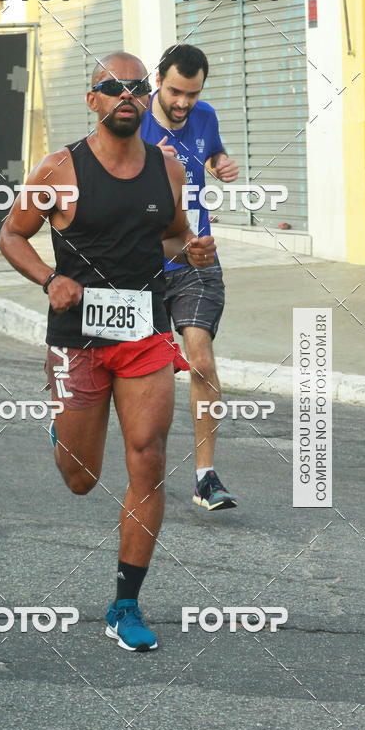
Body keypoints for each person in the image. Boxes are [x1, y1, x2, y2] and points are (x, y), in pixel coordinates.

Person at [0, 51, 217, 652]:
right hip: (78, 341)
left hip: (145, 335)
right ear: (92, 100)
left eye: (137, 87)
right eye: (113, 87)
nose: (128, 95)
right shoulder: (58, 170)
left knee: (147, 457)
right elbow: (11, 235)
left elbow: (171, 237)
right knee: (80, 477)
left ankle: (126, 604)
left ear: (146, 100)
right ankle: (63, 433)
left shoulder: (166, 168)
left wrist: (189, 252)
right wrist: (49, 279)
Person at [141, 44, 240, 511]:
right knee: (138, 372)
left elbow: (213, 152)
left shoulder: (205, 116)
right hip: (138, 266)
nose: (183, 103)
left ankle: (205, 478)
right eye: (176, 91)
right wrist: (145, 166)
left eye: (192, 94)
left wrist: (221, 165)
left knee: (201, 361)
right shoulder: (129, 120)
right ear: (158, 80)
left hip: (195, 257)